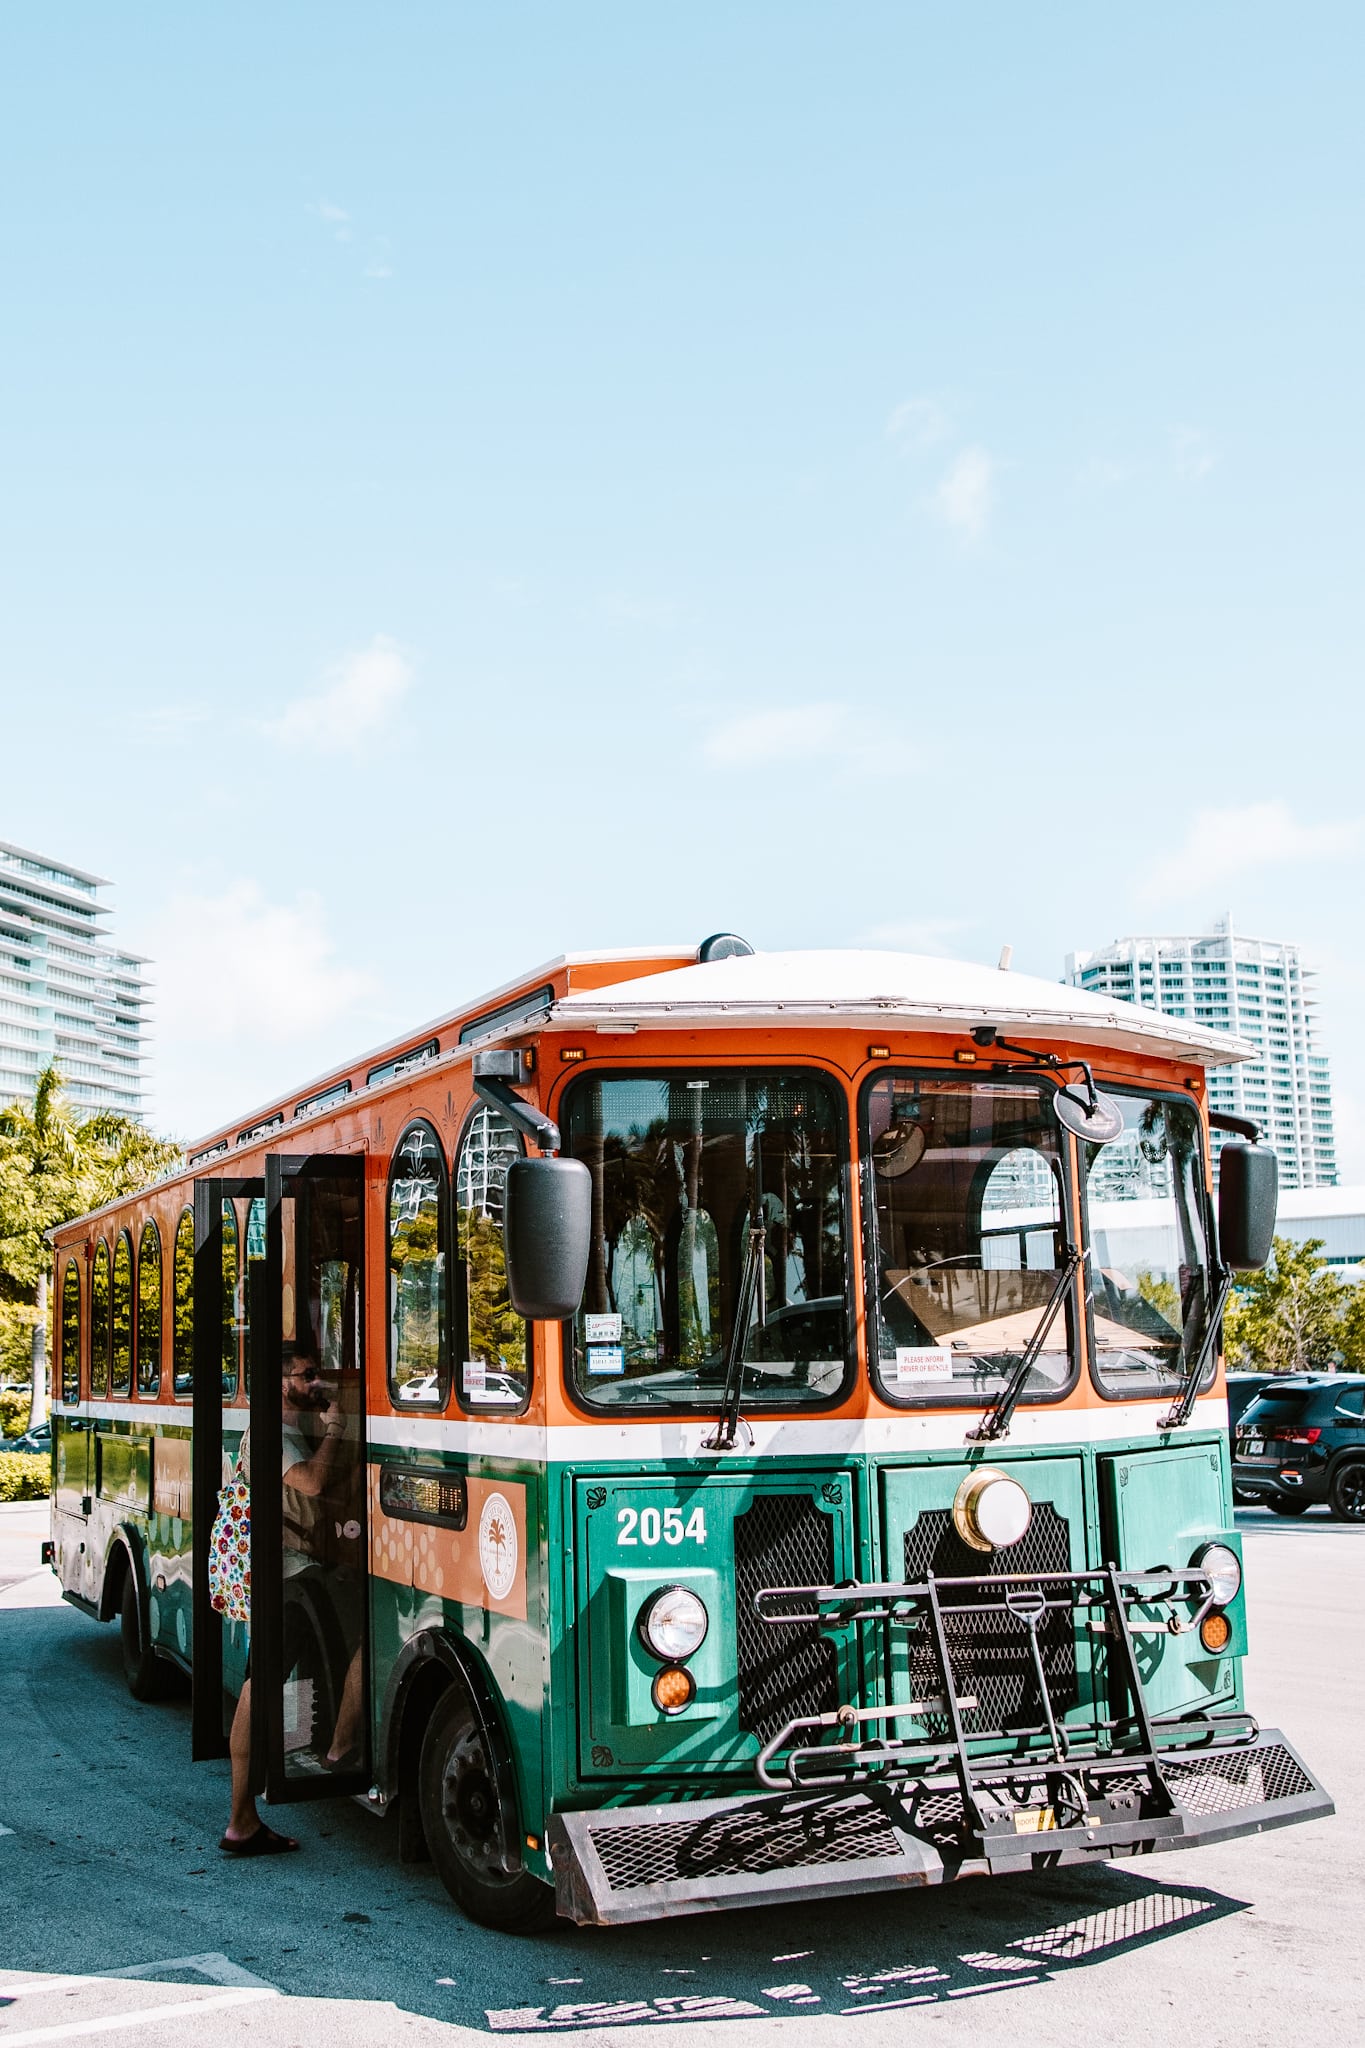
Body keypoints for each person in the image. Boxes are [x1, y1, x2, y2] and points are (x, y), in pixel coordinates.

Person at [219, 1349, 354, 1856]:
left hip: (289, 1574)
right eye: (307, 1375)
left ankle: (245, 1816)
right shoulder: (271, 1432)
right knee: (263, 1686)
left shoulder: (284, 1428)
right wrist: (338, 1429)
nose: (316, 1381)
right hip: (288, 1578)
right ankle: (243, 1816)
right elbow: (311, 1483)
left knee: (263, 1682)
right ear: (280, 1382)